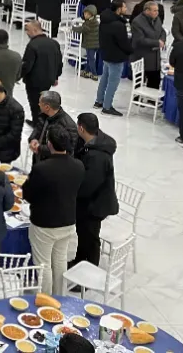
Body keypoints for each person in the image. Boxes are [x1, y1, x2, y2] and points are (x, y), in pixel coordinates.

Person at [22, 125, 85, 294]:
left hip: (44, 224)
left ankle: (46, 300)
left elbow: (27, 194)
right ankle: (60, 297)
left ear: (49, 144)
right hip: (67, 221)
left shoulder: (42, 168)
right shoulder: (78, 166)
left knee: (44, 266)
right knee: (60, 261)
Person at [72, 113, 119, 268]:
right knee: (82, 234)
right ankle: (79, 261)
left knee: (90, 237)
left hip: (95, 204)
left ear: (81, 128)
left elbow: (88, 186)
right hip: (89, 201)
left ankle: (90, 269)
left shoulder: (98, 156)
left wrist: (71, 193)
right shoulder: (91, 143)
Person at [21, 20, 63, 124]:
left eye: (28, 30)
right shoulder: (54, 43)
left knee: (35, 104)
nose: (27, 33)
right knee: (44, 102)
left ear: (35, 30)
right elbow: (59, 62)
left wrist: (19, 75)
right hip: (48, 80)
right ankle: (43, 123)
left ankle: (38, 125)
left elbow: (27, 65)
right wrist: (56, 77)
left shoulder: (32, 45)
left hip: (34, 81)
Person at [95, 0, 131, 116]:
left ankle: (99, 101)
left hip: (106, 54)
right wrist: (130, 51)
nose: (126, 9)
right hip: (116, 56)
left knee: (104, 79)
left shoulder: (104, 20)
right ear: (119, 9)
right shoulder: (119, 25)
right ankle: (107, 106)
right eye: (124, 7)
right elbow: (123, 43)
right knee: (113, 82)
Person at [29, 90, 78, 161]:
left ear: (47, 107)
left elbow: (66, 150)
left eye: (40, 102)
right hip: (39, 158)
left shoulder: (68, 126)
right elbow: (37, 129)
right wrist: (33, 139)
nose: (38, 104)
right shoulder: (43, 115)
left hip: (53, 162)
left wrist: (39, 148)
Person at [131, 0, 166, 88]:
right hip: (143, 57)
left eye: (157, 10)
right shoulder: (137, 22)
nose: (157, 13)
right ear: (147, 11)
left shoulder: (157, 19)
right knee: (139, 84)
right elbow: (140, 40)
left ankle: (152, 97)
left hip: (155, 59)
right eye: (154, 10)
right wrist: (156, 43)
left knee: (155, 82)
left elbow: (162, 31)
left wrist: (162, 40)